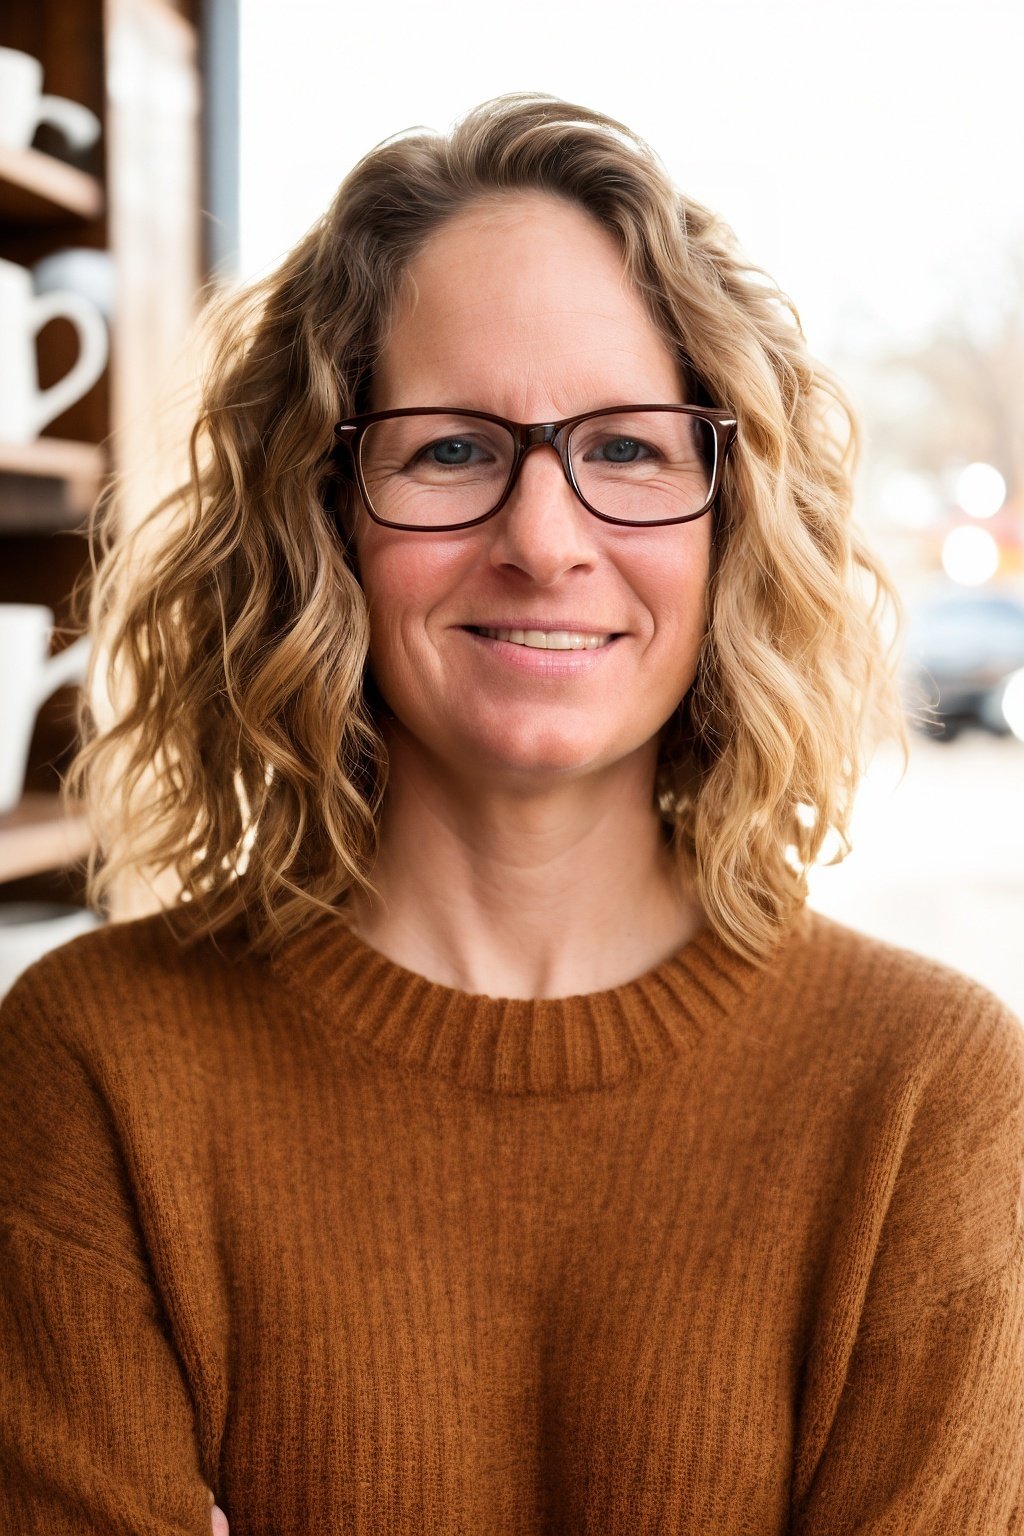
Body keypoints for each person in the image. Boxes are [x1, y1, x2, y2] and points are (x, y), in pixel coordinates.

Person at [1, 92, 1021, 1535]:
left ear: (730, 521)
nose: (546, 540)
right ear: (321, 517)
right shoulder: (95, 1067)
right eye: (451, 451)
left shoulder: (923, 1092)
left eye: (627, 450)